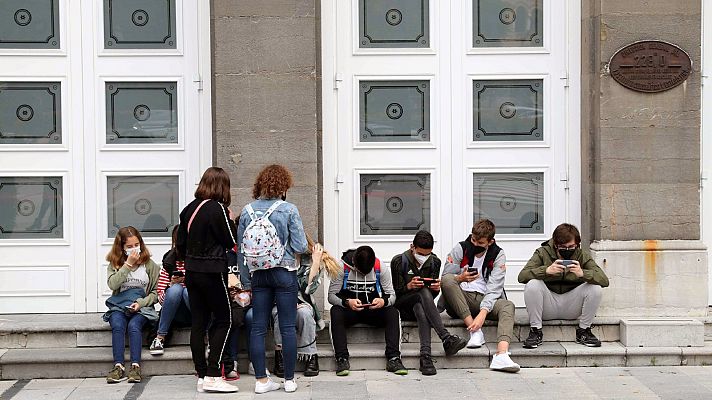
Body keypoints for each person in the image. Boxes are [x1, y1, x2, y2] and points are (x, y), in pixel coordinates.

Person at [237, 164, 308, 394]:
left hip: (258, 274)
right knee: (287, 326)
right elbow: (300, 245)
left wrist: (246, 283)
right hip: (284, 271)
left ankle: (260, 381)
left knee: (258, 327)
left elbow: (241, 252)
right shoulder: (289, 209)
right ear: (284, 185)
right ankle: (288, 380)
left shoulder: (247, 211)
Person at [176, 167, 239, 393]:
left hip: (192, 272)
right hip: (213, 272)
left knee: (199, 324)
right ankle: (214, 374)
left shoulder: (188, 209)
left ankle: (201, 374)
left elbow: (180, 245)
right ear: (222, 186)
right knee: (225, 320)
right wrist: (231, 220)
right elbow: (230, 240)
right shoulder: (218, 209)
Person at [440, 219, 520, 372]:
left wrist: (483, 313)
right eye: (473, 240)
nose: (475, 245)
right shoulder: (461, 248)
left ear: (490, 241)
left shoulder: (498, 254)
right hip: (460, 298)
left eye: (480, 242)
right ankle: (475, 332)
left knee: (508, 305)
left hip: (485, 298)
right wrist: (460, 278)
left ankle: (501, 355)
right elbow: (446, 276)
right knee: (448, 279)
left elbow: (495, 288)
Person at [518, 223, 609, 348]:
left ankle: (584, 331)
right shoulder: (542, 252)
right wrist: (546, 271)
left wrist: (583, 273)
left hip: (571, 306)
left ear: (577, 244)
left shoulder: (581, 255)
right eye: (562, 247)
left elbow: (604, 280)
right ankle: (536, 331)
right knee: (533, 284)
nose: (567, 250)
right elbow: (522, 276)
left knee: (595, 288)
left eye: (571, 246)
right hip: (547, 306)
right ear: (555, 244)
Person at [391, 230, 467, 376]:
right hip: (403, 306)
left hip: (421, 307)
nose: (424, 257)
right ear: (412, 247)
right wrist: (409, 286)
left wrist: (436, 289)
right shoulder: (399, 261)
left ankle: (425, 357)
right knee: (422, 293)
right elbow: (395, 293)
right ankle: (445, 337)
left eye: (428, 254)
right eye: (421, 254)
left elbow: (431, 297)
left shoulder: (434, 262)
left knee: (421, 306)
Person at [328, 245, 406, 377]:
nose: (364, 274)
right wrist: (347, 302)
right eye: (360, 271)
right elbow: (331, 296)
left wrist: (383, 302)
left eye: (367, 272)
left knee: (393, 312)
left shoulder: (380, 267)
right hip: (350, 311)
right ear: (354, 262)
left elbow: (392, 295)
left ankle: (394, 358)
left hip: (372, 311)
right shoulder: (342, 267)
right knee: (335, 311)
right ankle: (342, 358)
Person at [272, 235, 339, 378]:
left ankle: (311, 355)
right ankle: (280, 355)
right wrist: (286, 302)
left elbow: (308, 290)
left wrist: (315, 262)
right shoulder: (276, 258)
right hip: (279, 301)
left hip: (303, 302)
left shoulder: (308, 260)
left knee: (304, 313)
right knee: (280, 313)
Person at [103, 226, 160, 384]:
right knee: (118, 324)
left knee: (134, 326)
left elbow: (156, 293)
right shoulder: (114, 263)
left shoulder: (149, 265)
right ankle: (118, 366)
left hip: (141, 307)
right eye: (129, 246)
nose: (134, 249)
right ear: (121, 247)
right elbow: (113, 284)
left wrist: (140, 303)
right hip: (119, 305)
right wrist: (127, 265)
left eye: (137, 244)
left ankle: (135, 367)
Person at [150, 225, 191, 356]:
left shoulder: (199, 260)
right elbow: (161, 298)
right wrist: (171, 284)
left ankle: (208, 336)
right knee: (176, 290)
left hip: (196, 310)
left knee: (186, 291)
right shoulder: (169, 261)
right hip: (175, 312)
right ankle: (160, 337)